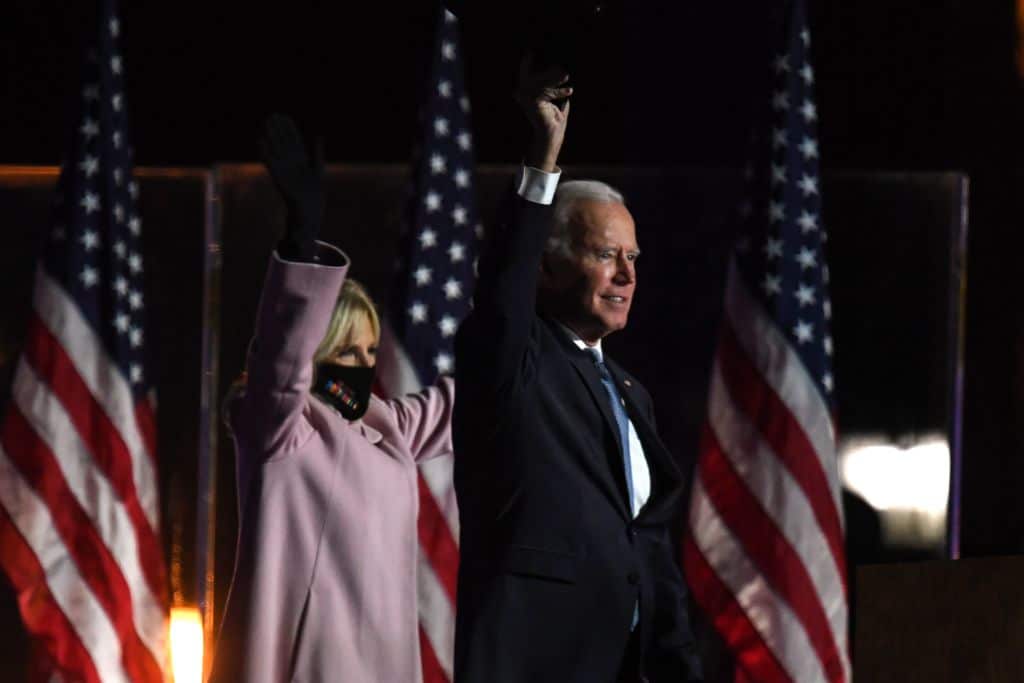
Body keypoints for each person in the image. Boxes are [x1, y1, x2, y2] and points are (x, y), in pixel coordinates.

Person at [452, 59, 704, 682]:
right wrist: (543, 158)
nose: (627, 275)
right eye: (604, 255)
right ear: (549, 265)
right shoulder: (516, 358)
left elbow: (647, 553)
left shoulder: (630, 396)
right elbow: (504, 286)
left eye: (633, 258)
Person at [209, 115, 455, 683]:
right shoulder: (278, 427)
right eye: (350, 351)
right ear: (317, 352)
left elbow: (473, 395)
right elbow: (279, 360)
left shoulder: (388, 427)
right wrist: (301, 238)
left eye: (372, 355)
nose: (365, 368)